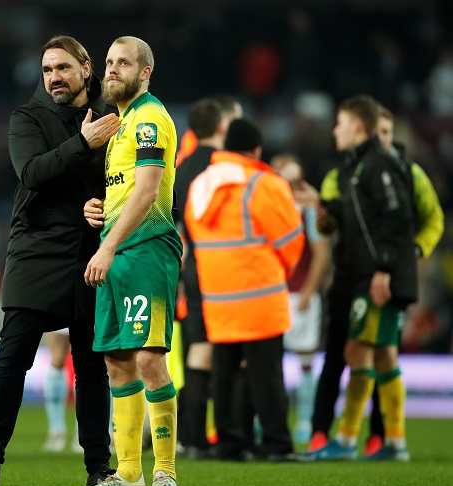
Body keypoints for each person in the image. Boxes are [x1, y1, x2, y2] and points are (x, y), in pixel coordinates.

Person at [0, 35, 118, 486]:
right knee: (12, 361)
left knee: (90, 367)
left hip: (90, 253)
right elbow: (31, 173)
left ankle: (97, 469)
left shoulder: (116, 118)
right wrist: (83, 142)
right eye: (48, 70)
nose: (54, 78)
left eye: (63, 68)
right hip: (36, 252)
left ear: (86, 69)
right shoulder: (27, 118)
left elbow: (125, 181)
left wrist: (106, 205)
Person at [301, 102, 444, 456]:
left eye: (340, 123)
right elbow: (357, 215)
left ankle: (351, 439)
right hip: (357, 276)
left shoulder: (385, 166)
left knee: (361, 352)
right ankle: (391, 441)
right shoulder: (354, 168)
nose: (335, 130)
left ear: (358, 129)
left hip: (379, 275)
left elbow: (398, 221)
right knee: (378, 355)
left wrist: (387, 267)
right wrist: (323, 205)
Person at [78, 36, 181, 486]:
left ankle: (165, 471)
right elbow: (126, 190)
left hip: (145, 250)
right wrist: (97, 208)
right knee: (118, 362)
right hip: (116, 250)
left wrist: (107, 246)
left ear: (145, 73)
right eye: (108, 62)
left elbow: (147, 191)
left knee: (148, 358)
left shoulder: (149, 119)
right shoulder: (120, 124)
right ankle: (128, 474)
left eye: (124, 63)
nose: (113, 69)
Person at [184, 118, 304, 463]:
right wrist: (279, 269)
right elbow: (291, 240)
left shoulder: (202, 184)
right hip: (260, 296)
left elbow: (194, 235)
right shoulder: (263, 183)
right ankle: (276, 444)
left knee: (224, 372)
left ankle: (229, 443)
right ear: (256, 149)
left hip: (217, 298)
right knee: (265, 373)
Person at [174, 96, 242, 459]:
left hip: (188, 272)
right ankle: (230, 434)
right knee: (228, 353)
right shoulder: (225, 168)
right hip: (224, 271)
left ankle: (191, 436)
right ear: (221, 126)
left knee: (196, 350)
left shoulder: (181, 169)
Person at [271, 154, 330, 444]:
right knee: (271, 362)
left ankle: (305, 420)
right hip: (276, 295)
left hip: (300, 295)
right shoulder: (272, 209)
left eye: (297, 181)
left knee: (305, 359)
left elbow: (321, 253)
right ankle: (270, 418)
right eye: (288, 181)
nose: (294, 187)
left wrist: (308, 290)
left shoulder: (308, 212)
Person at [42, 328, 81, 453]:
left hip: (88, 309)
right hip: (58, 309)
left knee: (86, 359)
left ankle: (84, 432)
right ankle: (56, 430)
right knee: (57, 359)